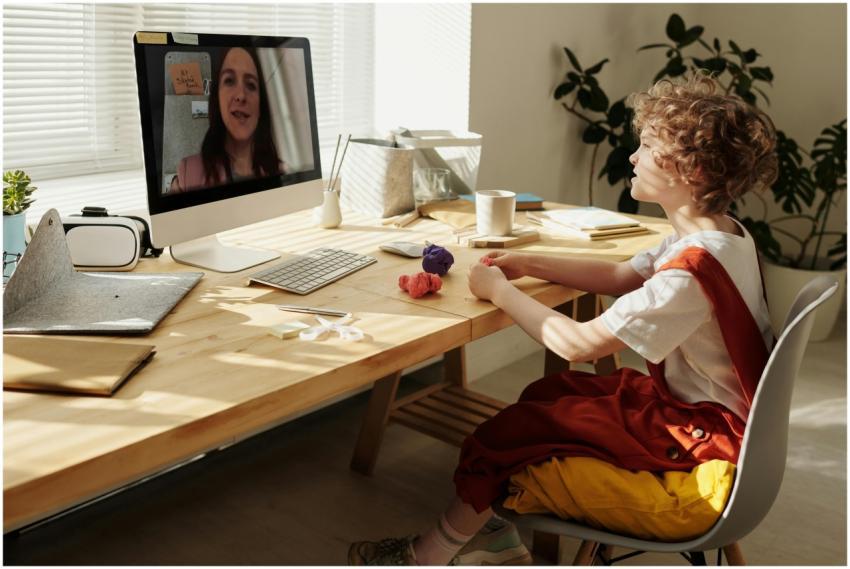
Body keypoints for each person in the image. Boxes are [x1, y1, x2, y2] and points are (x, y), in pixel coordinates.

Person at [348, 73, 779, 566]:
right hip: (712, 415)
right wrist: (529, 263)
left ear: (692, 169)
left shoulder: (690, 273)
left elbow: (577, 344)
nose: (633, 158)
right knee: (548, 397)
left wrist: (501, 292)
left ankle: (427, 556)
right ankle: (491, 534)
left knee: (509, 431)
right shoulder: (723, 235)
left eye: (646, 146)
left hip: (700, 436)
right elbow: (621, 274)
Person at [170, 46, 285, 193]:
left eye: (251, 85)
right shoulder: (188, 174)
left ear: (261, 104)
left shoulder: (284, 172)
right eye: (229, 81)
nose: (241, 95)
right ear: (216, 98)